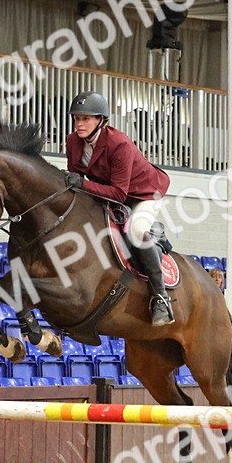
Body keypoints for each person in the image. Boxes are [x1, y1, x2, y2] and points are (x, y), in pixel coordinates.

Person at [63, 90, 174, 325]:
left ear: (100, 120)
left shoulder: (119, 143)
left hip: (144, 193)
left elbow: (119, 193)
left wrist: (82, 184)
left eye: (86, 118)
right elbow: (76, 179)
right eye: (77, 118)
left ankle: (161, 297)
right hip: (110, 193)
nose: (79, 123)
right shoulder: (72, 141)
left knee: (136, 230)